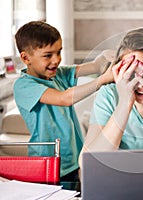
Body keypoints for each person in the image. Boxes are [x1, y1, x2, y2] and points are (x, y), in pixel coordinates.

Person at [13, 21, 114, 182]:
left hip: (73, 159)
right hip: (46, 163)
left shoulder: (59, 74)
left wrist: (104, 58)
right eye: (48, 55)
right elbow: (64, 98)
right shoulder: (24, 85)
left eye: (59, 52)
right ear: (26, 58)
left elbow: (95, 66)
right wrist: (102, 80)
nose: (56, 60)